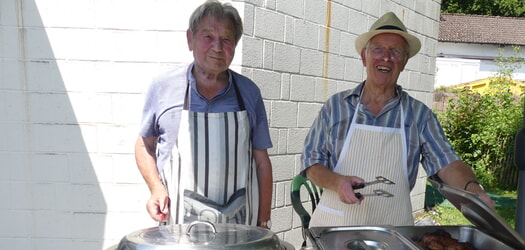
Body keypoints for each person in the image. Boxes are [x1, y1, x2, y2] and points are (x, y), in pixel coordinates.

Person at [300, 12, 495, 227]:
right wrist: (337, 182)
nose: (386, 57)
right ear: (364, 57)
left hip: (394, 232)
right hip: (334, 228)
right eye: (378, 49)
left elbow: (446, 163)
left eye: (395, 52)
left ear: (404, 62)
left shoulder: (419, 115)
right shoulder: (336, 107)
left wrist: (473, 190)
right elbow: (311, 163)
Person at [135, 0, 273, 229]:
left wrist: (263, 220)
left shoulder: (249, 92)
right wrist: (156, 189)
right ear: (190, 39)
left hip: (238, 226)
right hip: (179, 224)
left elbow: (262, 163)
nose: (218, 47)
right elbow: (143, 145)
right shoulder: (164, 87)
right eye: (208, 36)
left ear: (235, 46)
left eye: (227, 39)